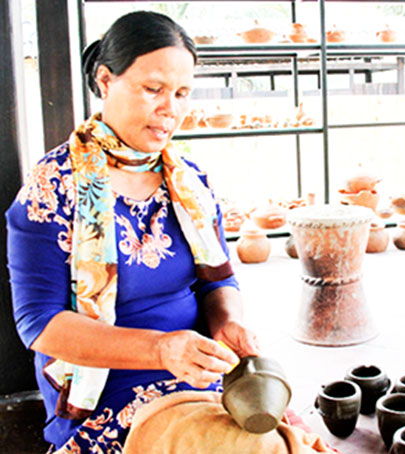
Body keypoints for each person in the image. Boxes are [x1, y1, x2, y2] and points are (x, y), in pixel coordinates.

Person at [6, 11, 260, 453]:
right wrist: (161, 351)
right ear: (105, 80)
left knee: (282, 441)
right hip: (102, 394)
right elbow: (39, 324)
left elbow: (218, 280)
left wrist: (228, 322)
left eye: (182, 93)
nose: (171, 109)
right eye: (153, 89)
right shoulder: (54, 188)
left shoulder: (190, 183)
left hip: (199, 376)